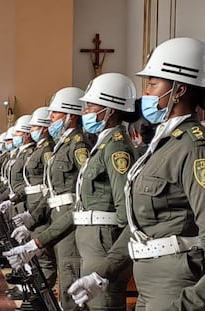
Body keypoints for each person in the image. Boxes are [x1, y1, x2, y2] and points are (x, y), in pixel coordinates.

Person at [69, 37, 205, 311]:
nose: (147, 92)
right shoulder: (163, 144)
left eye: (154, 83)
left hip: (175, 285)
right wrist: (102, 273)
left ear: (179, 90)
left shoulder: (193, 146)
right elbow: (137, 226)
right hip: (147, 281)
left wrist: (190, 302)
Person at [4, 88, 91, 309]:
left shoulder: (78, 144)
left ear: (71, 115)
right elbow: (51, 188)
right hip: (54, 213)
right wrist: (31, 218)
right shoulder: (63, 144)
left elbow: (85, 186)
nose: (51, 120)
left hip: (70, 217)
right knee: (61, 267)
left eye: (55, 115)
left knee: (69, 272)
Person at [72, 72, 140, 311]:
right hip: (94, 237)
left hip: (106, 241)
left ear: (110, 110)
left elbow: (125, 209)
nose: (85, 111)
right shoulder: (102, 144)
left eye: (91, 105)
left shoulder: (117, 146)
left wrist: (116, 253)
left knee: (104, 304)